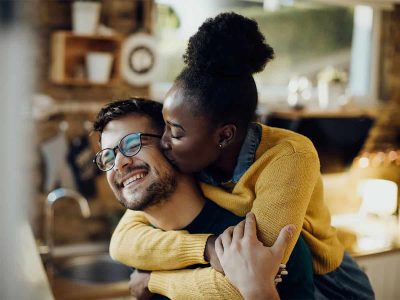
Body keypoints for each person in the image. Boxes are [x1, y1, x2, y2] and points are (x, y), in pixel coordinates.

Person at [110, 12, 374, 300]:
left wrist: (153, 280)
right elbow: (123, 241)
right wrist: (207, 247)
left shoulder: (289, 156)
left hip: (331, 286)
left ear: (224, 136)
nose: (162, 143)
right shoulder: (191, 155)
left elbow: (248, 276)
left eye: (174, 131)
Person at [93, 98, 314, 299]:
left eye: (133, 145)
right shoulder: (145, 254)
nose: (119, 164)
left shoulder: (262, 241)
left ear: (173, 146)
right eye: (108, 157)